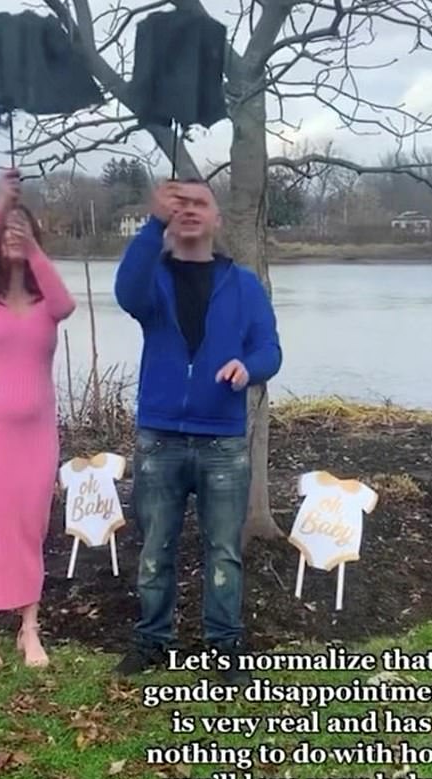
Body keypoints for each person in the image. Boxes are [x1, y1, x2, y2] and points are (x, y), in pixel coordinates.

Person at [114, 179, 282, 684]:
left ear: (217, 219)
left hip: (223, 442)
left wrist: (247, 367)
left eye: (199, 203)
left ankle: (225, 645)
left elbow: (270, 350)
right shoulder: (153, 279)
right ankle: (151, 640)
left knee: (224, 550)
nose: (188, 210)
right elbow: (125, 291)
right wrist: (152, 226)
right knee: (155, 547)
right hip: (159, 438)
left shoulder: (244, 285)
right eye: (178, 204)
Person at [0, 169, 76, 668]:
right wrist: (1, 207)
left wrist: (34, 252)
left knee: (31, 523)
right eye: (4, 233)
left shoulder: (48, 304)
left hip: (36, 436)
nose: (11, 237)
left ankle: (29, 628)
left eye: (20, 231)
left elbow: (67, 304)